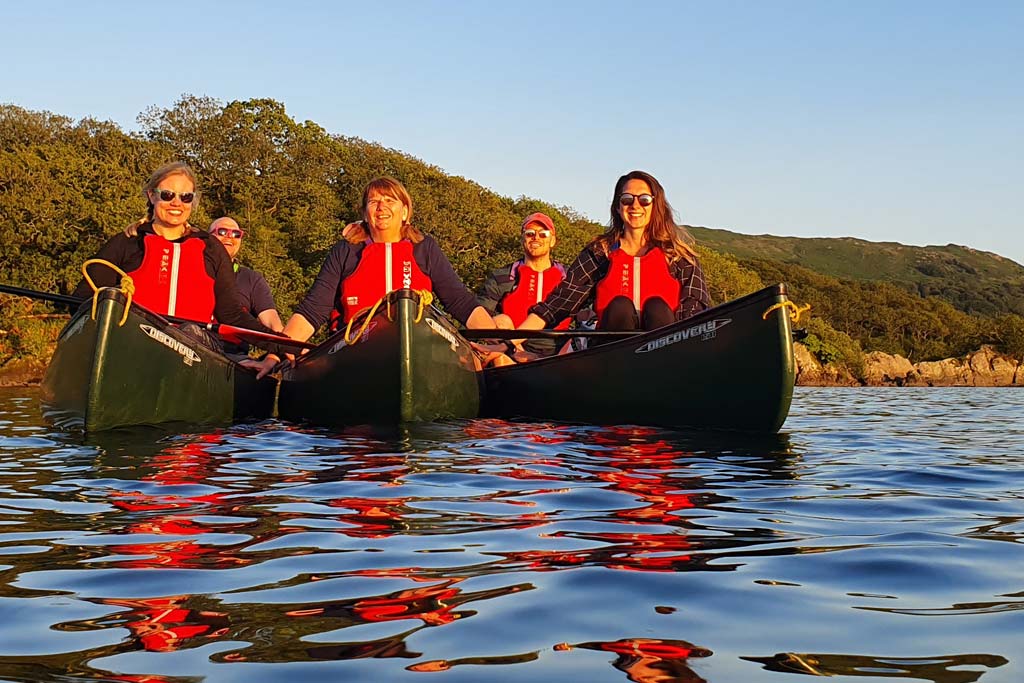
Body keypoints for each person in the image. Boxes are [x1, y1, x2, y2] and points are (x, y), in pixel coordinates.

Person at [255, 176, 495, 376]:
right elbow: (313, 310)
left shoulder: (425, 248)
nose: (381, 207)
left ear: (405, 212)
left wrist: (496, 343)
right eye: (374, 201)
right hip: (355, 351)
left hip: (420, 351)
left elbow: (459, 301)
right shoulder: (346, 251)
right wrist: (275, 354)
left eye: (390, 200)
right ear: (365, 213)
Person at [71, 162, 282, 348]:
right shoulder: (127, 242)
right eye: (167, 195)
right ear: (152, 195)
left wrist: (279, 345)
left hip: (193, 348)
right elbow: (82, 301)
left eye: (185, 197)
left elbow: (232, 315)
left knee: (190, 331)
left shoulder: (211, 248)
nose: (176, 203)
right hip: (133, 344)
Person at [515, 170, 709, 338]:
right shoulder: (600, 252)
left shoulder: (679, 255)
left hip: (664, 346)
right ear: (618, 207)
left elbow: (695, 308)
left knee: (657, 307)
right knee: (620, 306)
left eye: (644, 200)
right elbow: (560, 302)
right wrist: (510, 343)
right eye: (627, 199)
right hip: (612, 348)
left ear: (655, 205)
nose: (635, 206)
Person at [477, 212, 569, 357]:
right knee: (500, 321)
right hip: (512, 351)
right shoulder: (503, 276)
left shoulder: (569, 277)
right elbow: (480, 315)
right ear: (522, 239)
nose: (536, 237)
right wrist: (516, 350)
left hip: (560, 352)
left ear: (552, 241)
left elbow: (587, 318)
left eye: (543, 234)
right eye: (530, 233)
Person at [208, 216, 284, 358]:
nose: (229, 237)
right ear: (208, 238)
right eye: (222, 232)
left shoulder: (252, 279)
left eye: (236, 234)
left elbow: (273, 324)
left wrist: (274, 357)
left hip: (232, 355)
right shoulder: (194, 268)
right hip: (193, 344)